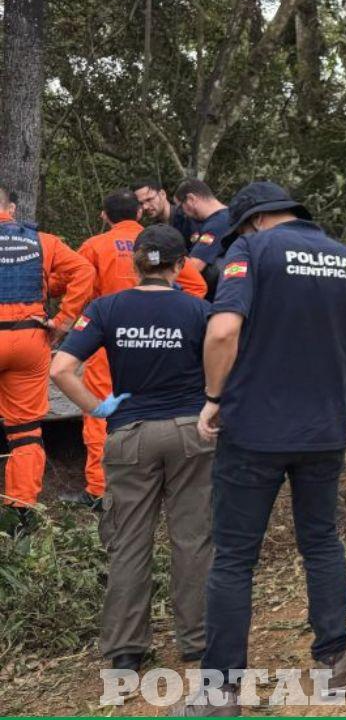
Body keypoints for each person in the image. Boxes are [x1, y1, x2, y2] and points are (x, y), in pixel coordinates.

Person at [176, 182, 346, 716]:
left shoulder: (250, 251)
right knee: (321, 542)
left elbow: (222, 333)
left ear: (251, 222)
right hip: (325, 429)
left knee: (235, 559)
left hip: (255, 430)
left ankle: (220, 693)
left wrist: (213, 397)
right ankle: (335, 663)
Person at [51, 225, 214, 672]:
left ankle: (125, 651)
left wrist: (98, 409)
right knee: (193, 538)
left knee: (128, 542)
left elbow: (62, 368)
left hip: (130, 434)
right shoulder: (199, 311)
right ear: (181, 266)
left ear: (133, 263)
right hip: (190, 432)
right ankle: (197, 642)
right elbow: (227, 357)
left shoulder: (107, 308)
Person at [69, 191, 207, 508]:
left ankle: (100, 490)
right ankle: (163, 487)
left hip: (108, 343)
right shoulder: (164, 247)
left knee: (101, 415)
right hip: (165, 342)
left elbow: (77, 284)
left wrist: (69, 322)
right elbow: (197, 287)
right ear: (139, 214)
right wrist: (175, 316)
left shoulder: (95, 246)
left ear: (104, 215)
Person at [0, 186, 94, 530]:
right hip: (29, 338)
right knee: (25, 430)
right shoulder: (42, 241)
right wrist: (62, 322)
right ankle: (20, 514)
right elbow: (84, 272)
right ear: (9, 207)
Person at [176, 179, 230, 297]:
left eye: (181, 207)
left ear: (191, 199)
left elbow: (195, 266)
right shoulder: (209, 221)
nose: (183, 213)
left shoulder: (219, 223)